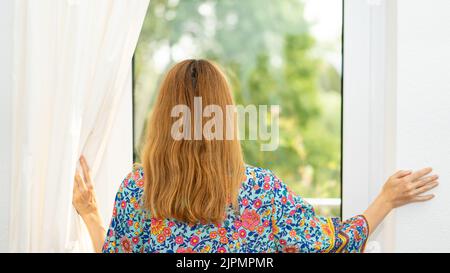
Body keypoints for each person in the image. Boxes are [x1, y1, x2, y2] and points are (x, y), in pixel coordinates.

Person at [72, 59, 439, 253]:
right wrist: (386, 200)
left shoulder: (138, 189)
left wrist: (90, 215)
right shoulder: (263, 191)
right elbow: (331, 245)